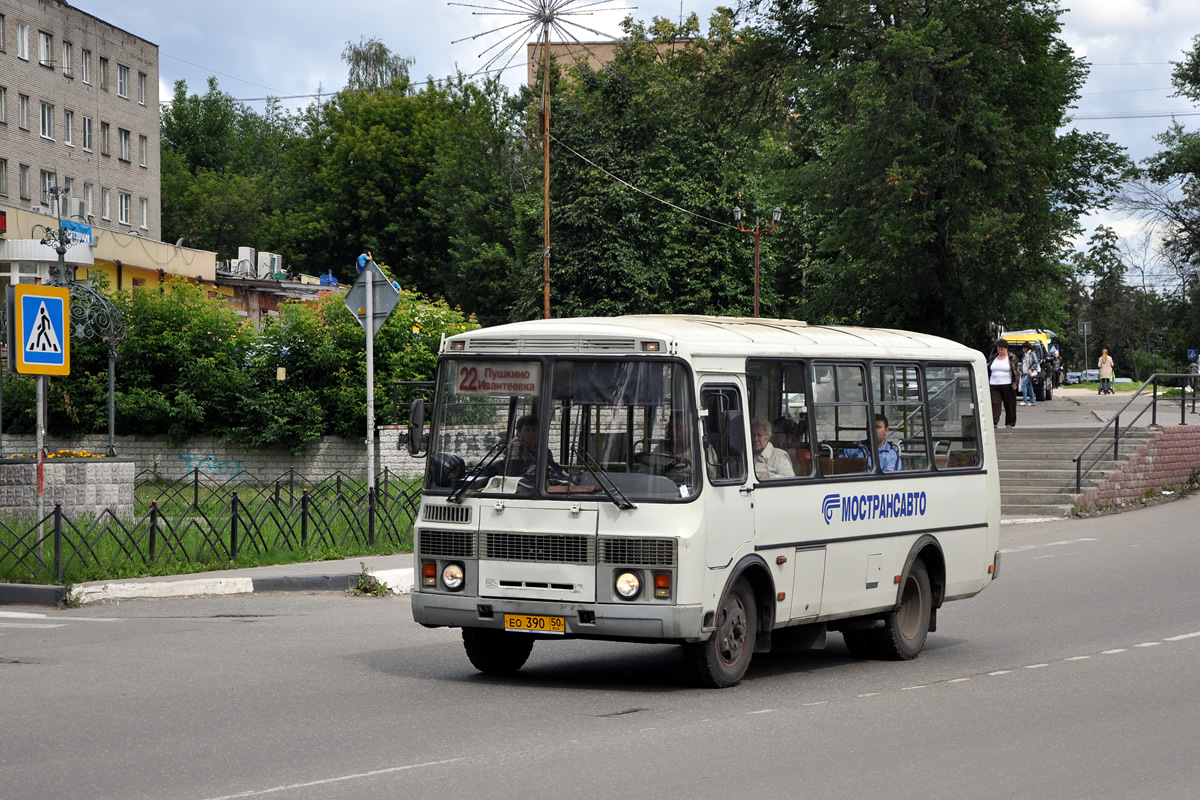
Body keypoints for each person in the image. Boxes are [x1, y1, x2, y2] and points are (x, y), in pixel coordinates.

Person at [988, 339, 1019, 428]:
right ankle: (994, 422)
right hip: (994, 384)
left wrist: (1015, 383)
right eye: (998, 349)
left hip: (1007, 384)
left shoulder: (1012, 357)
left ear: (1006, 349)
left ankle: (1010, 423)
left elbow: (1016, 371)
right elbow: (989, 367)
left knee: (1009, 404)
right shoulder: (994, 357)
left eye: (1002, 349)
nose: (1000, 351)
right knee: (995, 403)